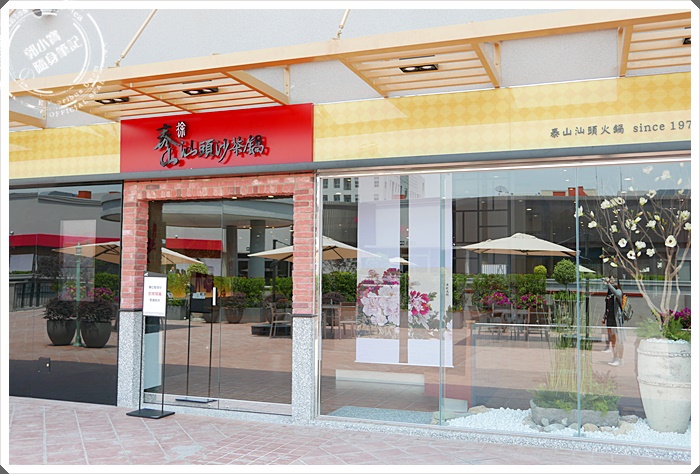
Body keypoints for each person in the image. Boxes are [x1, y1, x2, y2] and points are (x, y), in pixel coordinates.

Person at [602, 276, 624, 366]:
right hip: (610, 319)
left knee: (618, 339)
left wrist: (609, 284)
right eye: (609, 279)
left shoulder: (618, 291)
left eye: (612, 279)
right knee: (613, 339)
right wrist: (604, 317)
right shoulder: (609, 293)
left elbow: (617, 294)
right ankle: (615, 357)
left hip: (616, 319)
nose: (610, 281)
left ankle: (620, 358)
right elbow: (607, 307)